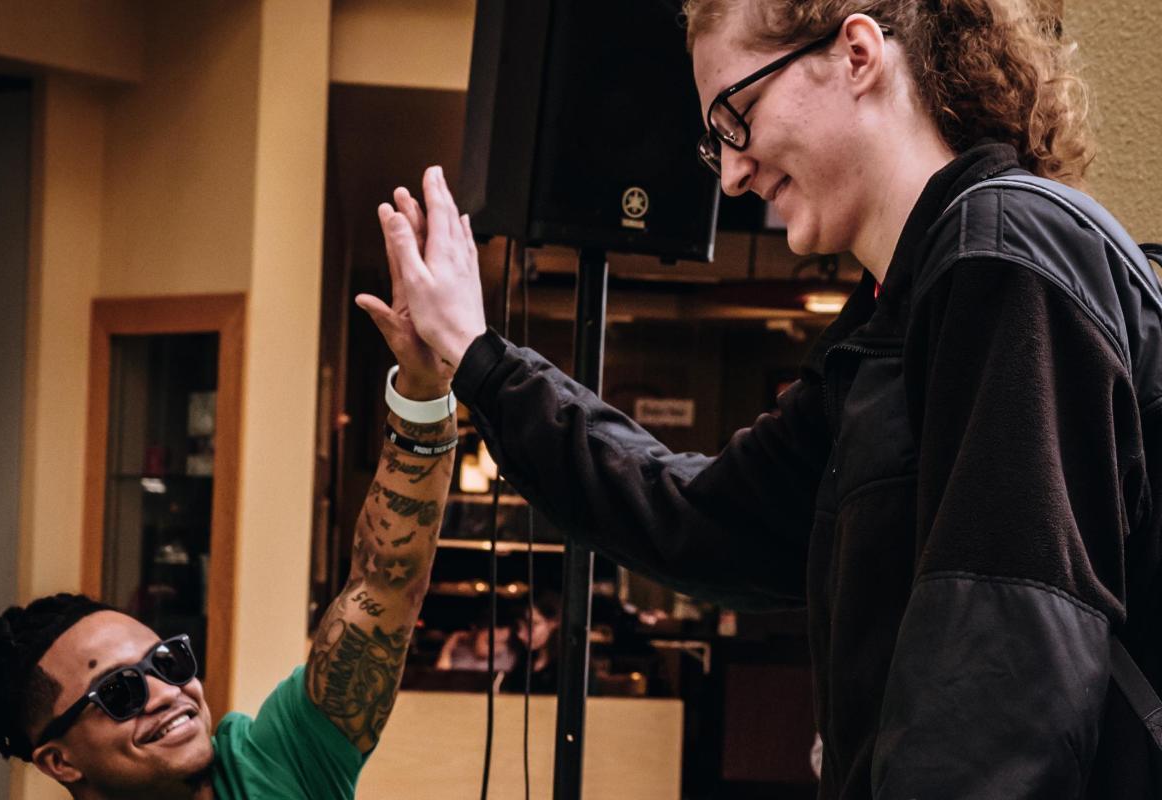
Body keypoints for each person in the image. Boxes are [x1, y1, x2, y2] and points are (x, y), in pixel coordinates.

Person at [368, 0, 1161, 797]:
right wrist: (479, 360)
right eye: (716, 145)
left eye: (738, 115)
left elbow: (999, 689)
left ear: (857, 54)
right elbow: (697, 519)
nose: (735, 172)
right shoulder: (893, 316)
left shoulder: (1004, 253)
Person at [0, 274, 459, 798]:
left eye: (168, 661)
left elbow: (381, 587)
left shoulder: (277, 762)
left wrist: (423, 392)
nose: (166, 692)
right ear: (60, 762)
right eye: (120, 691)